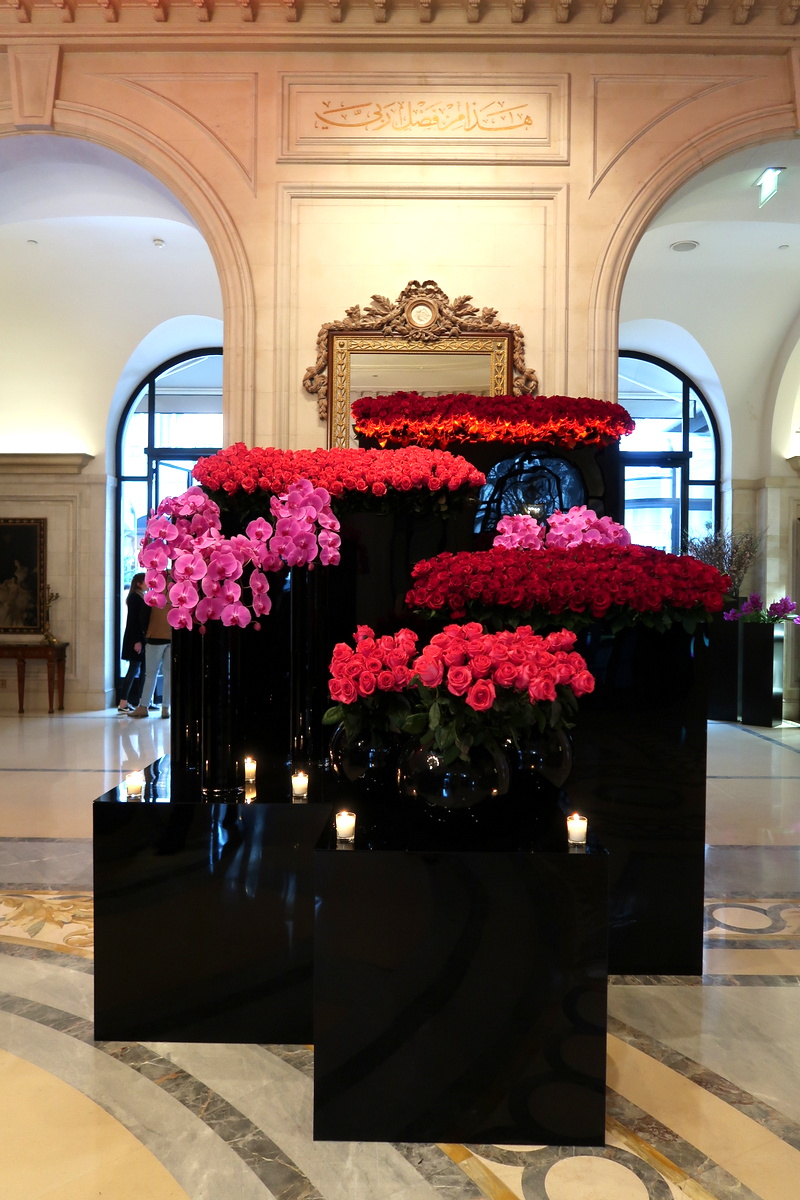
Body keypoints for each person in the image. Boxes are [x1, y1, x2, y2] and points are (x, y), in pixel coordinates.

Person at [129, 591, 172, 719]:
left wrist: (146, 632)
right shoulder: (174, 592)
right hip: (171, 637)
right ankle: (166, 708)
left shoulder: (153, 594)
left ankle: (144, 706)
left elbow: (143, 617)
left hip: (154, 637)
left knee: (151, 674)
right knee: (168, 674)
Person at [117, 573, 148, 713]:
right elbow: (133, 621)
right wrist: (137, 641)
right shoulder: (135, 598)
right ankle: (123, 702)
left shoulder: (139, 596)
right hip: (135, 638)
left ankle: (143, 701)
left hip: (138, 638)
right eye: (145, 581)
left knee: (140, 670)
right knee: (134, 669)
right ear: (138, 583)